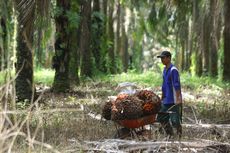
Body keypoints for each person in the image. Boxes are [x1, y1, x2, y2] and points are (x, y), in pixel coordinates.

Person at [156, 51, 182, 138]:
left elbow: (177, 85)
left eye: (163, 58)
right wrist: (162, 97)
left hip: (174, 100)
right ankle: (169, 134)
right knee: (161, 118)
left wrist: (178, 99)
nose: (162, 60)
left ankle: (179, 136)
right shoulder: (164, 70)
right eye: (161, 58)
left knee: (175, 120)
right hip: (166, 99)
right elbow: (164, 85)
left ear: (169, 58)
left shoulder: (173, 70)